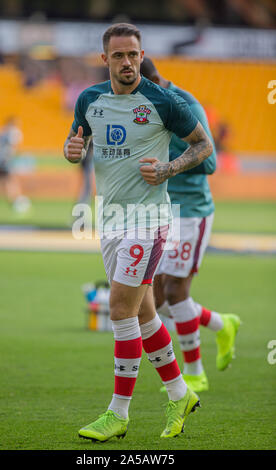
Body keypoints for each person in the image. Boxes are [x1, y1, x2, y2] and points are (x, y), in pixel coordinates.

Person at [64, 23, 213, 442]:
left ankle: (118, 413)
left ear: (141, 54)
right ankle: (180, 393)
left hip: (148, 223)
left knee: (120, 311)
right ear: (104, 59)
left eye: (133, 54)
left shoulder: (163, 100)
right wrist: (71, 150)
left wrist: (168, 167)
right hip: (109, 221)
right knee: (145, 313)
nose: (127, 62)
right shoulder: (90, 100)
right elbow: (76, 142)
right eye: (118, 56)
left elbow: (203, 146)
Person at [140, 57, 241, 393]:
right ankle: (220, 323)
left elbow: (209, 161)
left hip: (191, 212)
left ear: (150, 82)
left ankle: (194, 371)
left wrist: (168, 166)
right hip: (162, 210)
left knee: (175, 291)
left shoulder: (185, 104)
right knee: (155, 295)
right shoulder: (145, 106)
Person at [0, 117, 30, 213]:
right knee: (9, 181)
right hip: (4, 161)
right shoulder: (13, 133)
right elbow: (13, 147)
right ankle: (14, 201)